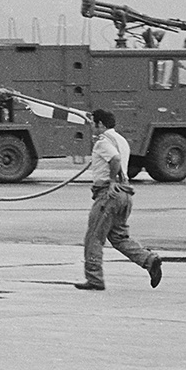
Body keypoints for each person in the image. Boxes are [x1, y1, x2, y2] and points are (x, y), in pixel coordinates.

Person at [77, 108, 162, 291]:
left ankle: (94, 278)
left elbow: (114, 159)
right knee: (119, 237)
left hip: (109, 194)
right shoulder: (121, 140)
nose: (92, 127)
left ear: (100, 124)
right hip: (125, 194)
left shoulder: (103, 142)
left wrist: (111, 181)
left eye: (93, 123)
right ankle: (149, 260)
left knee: (94, 237)